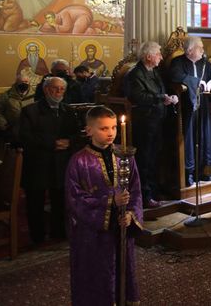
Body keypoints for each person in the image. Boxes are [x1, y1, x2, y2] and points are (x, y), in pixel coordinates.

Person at [66, 105, 143, 305]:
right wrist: (110, 202)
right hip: (93, 236)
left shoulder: (125, 157)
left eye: (114, 127)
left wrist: (131, 215)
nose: (111, 133)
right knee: (96, 276)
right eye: (104, 128)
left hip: (121, 228)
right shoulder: (79, 161)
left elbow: (135, 190)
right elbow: (76, 200)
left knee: (122, 271)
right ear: (89, 130)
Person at [19, 76, 80, 243]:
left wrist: (70, 142)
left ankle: (58, 233)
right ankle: (37, 237)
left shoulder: (68, 111)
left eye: (62, 89)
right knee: (35, 202)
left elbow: (77, 134)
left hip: (61, 163)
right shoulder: (30, 111)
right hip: (38, 163)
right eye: (55, 88)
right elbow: (25, 136)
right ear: (46, 89)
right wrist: (52, 143)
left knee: (60, 200)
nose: (59, 92)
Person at [127, 41, 178, 206]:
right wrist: (161, 98)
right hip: (144, 123)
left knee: (155, 158)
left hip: (157, 121)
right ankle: (144, 196)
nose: (161, 57)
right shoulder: (135, 74)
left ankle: (154, 192)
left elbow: (160, 91)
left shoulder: (154, 71)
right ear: (149, 57)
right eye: (158, 54)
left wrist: (168, 97)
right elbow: (138, 97)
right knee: (145, 160)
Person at [169, 36, 211, 187]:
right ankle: (188, 172)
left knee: (203, 136)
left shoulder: (205, 63)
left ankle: (201, 171)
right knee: (189, 139)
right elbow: (175, 76)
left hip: (203, 106)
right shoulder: (178, 62)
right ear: (190, 50)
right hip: (187, 107)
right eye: (199, 47)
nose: (202, 50)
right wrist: (196, 82)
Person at [0, 71, 34, 146]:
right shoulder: (7, 95)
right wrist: (4, 125)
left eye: (26, 82)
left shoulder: (34, 95)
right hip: (12, 129)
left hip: (31, 129)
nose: (24, 84)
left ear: (29, 82)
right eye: (21, 82)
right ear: (17, 83)